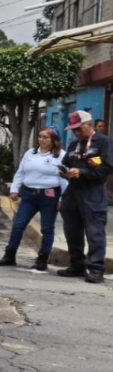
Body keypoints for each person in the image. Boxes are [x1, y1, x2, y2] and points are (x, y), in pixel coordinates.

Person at [0, 128, 66, 271]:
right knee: (18, 225)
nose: (41, 140)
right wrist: (14, 189)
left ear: (53, 140)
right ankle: (10, 254)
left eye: (45, 137)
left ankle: (42, 258)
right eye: (40, 137)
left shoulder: (60, 156)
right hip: (29, 194)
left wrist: (63, 198)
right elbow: (21, 173)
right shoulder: (30, 153)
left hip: (50, 195)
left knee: (47, 228)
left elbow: (65, 179)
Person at [57, 110, 113, 283]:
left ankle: (96, 268)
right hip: (73, 192)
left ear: (88, 125)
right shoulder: (74, 145)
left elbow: (108, 167)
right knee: (72, 229)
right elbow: (66, 163)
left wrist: (82, 172)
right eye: (74, 130)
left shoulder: (103, 142)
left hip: (93, 191)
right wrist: (65, 173)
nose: (76, 133)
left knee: (94, 231)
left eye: (79, 129)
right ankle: (77, 265)